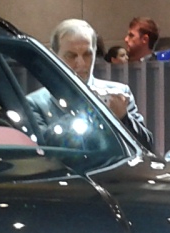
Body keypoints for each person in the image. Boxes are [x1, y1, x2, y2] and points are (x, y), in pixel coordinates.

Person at [47, 19, 152, 150]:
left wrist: (124, 118)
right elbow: (42, 151)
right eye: (71, 56)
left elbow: (147, 146)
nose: (81, 63)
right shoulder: (37, 103)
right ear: (53, 56)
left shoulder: (119, 93)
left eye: (87, 54)